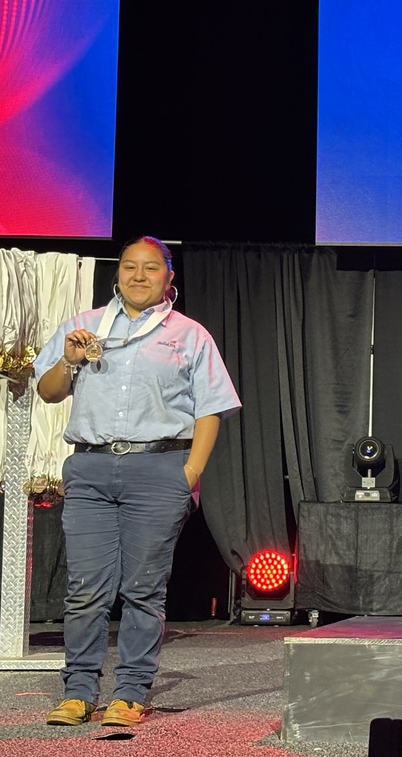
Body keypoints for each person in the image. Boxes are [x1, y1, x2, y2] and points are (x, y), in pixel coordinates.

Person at [35, 236, 241, 726]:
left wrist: (189, 472)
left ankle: (130, 691)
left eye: (151, 268)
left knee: (143, 588)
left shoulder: (190, 335)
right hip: (90, 467)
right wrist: (70, 360)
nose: (139, 276)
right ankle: (79, 691)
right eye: (130, 267)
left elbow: (211, 408)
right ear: (118, 273)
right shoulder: (83, 327)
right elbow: (48, 392)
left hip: (158, 468)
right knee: (85, 589)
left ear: (170, 278)